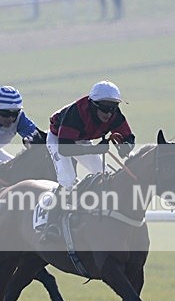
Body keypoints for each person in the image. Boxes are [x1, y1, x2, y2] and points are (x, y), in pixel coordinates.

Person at [41, 80, 135, 241]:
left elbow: (129, 137)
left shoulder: (115, 114)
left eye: (112, 108)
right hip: (59, 139)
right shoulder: (76, 114)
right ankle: (51, 225)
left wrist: (125, 146)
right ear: (92, 105)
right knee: (68, 179)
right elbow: (65, 148)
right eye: (104, 108)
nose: (108, 113)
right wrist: (96, 149)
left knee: (106, 175)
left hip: (81, 138)